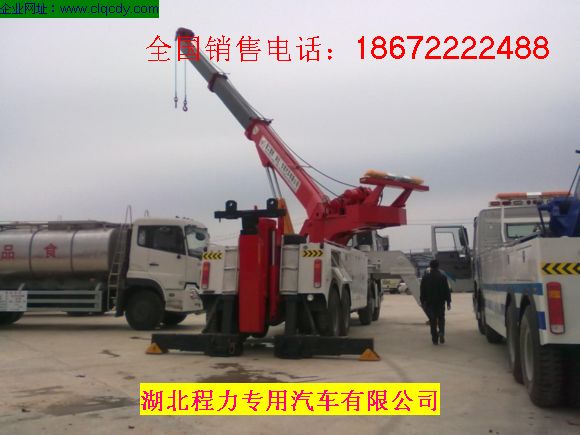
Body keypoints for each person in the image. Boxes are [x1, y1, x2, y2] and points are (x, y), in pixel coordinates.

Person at [420, 260, 451, 345]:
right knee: (441, 318)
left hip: (430, 303)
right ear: (438, 266)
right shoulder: (443, 277)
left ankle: (434, 338)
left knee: (432, 320)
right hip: (440, 302)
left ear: (430, 266)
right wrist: (448, 302)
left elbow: (422, 291)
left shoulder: (425, 278)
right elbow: (447, 291)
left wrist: (422, 301)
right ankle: (441, 332)